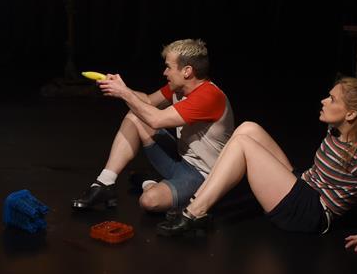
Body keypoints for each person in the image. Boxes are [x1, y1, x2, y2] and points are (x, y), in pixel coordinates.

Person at [157, 77, 357, 254]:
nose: (324, 101)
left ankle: (193, 213)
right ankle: (199, 202)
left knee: (243, 144)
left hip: (309, 213)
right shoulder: (336, 129)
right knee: (248, 128)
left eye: (332, 99)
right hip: (303, 185)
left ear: (351, 114)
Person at [71, 39, 235, 213]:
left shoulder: (209, 96)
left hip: (202, 175)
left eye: (169, 67)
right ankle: (105, 183)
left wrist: (124, 93)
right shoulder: (179, 87)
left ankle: (147, 183)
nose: (165, 72)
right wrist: (120, 88)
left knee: (149, 201)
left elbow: (156, 119)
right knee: (135, 115)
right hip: (180, 158)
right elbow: (148, 102)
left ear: (187, 71)